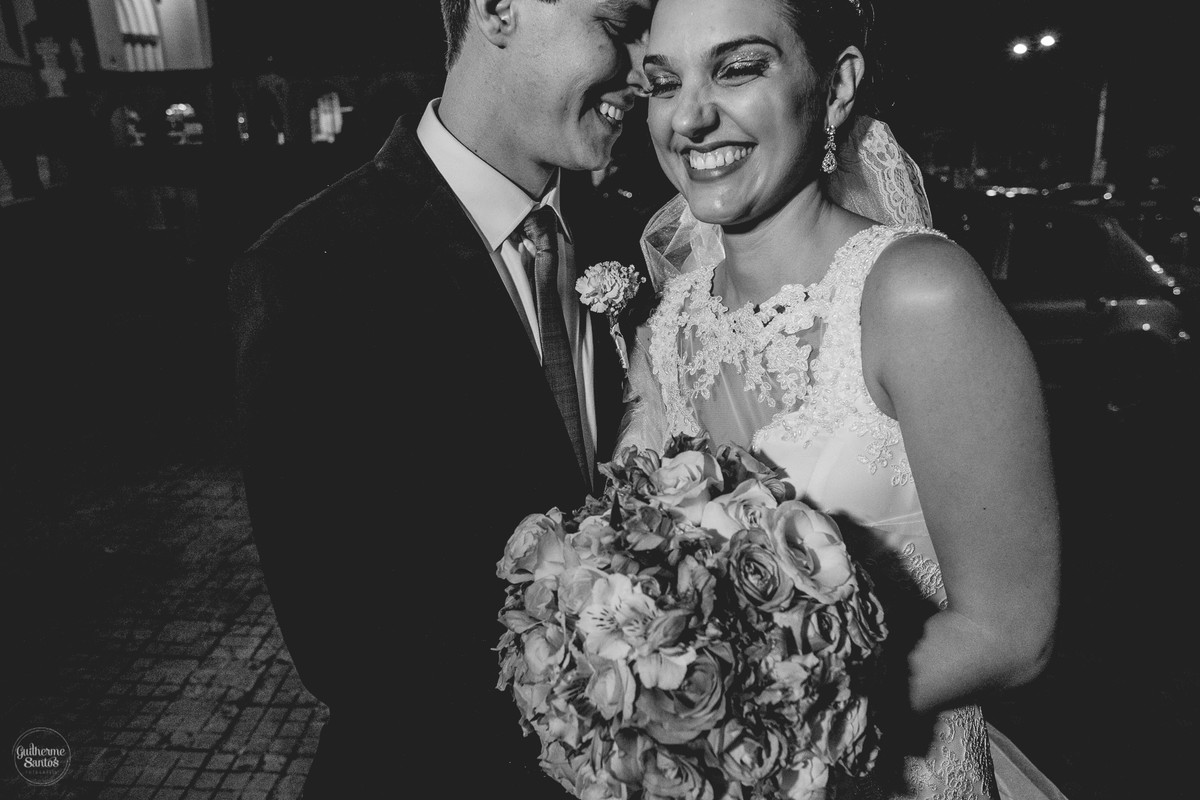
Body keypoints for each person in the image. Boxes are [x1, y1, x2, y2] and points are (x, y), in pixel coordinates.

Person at [617, 0, 1067, 798]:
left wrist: (742, 714)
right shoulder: (668, 329)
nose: (688, 116)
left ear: (834, 88)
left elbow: (1012, 632)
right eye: (662, 82)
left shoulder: (918, 295)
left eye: (738, 67)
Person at [227, 1, 654, 796]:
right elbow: (346, 644)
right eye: (620, 25)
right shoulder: (309, 273)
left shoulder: (640, 247)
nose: (644, 66)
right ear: (497, 9)